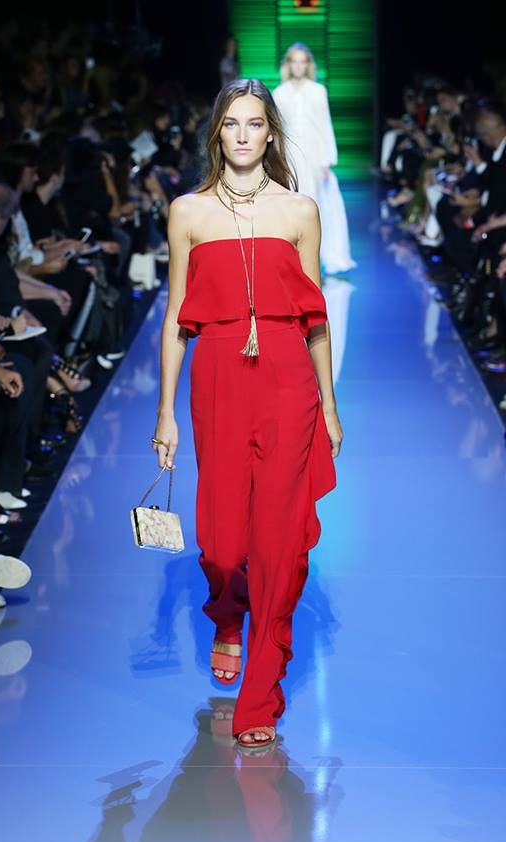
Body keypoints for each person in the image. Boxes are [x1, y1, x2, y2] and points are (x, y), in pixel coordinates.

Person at [151, 78, 342, 748]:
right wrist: (166, 412)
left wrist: (329, 403)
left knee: (277, 542)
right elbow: (176, 318)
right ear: (216, 133)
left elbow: (316, 317)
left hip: (288, 379)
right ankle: (228, 613)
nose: (242, 135)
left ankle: (262, 694)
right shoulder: (188, 212)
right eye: (230, 123)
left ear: (270, 133)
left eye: (254, 123)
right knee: (224, 543)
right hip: (219, 379)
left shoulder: (299, 211)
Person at [273, 43, 356, 275]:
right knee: (290, 203)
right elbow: (278, 129)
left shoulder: (318, 91)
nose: (298, 66)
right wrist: (275, 158)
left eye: (303, 61)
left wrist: (327, 160)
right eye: (294, 61)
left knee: (315, 204)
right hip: (289, 154)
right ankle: (292, 259)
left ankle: (313, 258)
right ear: (288, 65)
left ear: (308, 65)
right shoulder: (279, 93)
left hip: (313, 154)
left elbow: (324, 125)